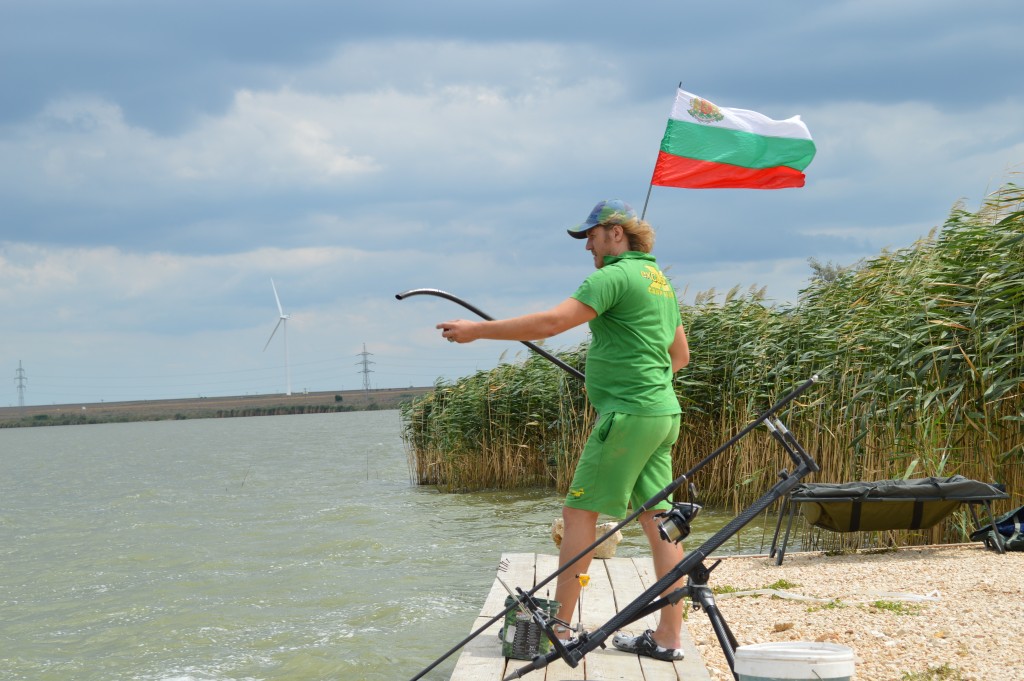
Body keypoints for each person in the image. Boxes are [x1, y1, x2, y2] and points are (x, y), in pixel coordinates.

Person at [436, 198, 690, 662]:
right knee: (661, 523)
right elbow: (680, 357)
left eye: (591, 235)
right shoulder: (659, 282)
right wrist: (643, 382)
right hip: (662, 413)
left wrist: (477, 331)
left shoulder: (612, 276)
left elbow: (554, 323)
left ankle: (562, 629)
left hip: (628, 417)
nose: (587, 246)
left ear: (616, 232)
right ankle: (669, 637)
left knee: (579, 515)